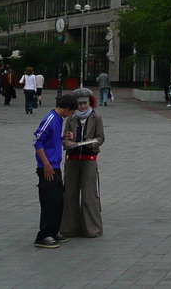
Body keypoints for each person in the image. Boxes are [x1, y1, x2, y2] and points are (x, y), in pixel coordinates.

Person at [33, 95, 78, 249]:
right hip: (47, 167)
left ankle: (53, 231)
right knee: (50, 201)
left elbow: (51, 141)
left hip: (55, 166)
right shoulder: (50, 119)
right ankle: (43, 235)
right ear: (66, 109)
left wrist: (63, 137)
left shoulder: (59, 120)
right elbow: (37, 141)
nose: (70, 115)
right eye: (71, 112)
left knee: (58, 201)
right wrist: (45, 164)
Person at [61, 88, 105, 238]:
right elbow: (64, 138)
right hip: (73, 159)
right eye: (79, 104)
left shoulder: (96, 117)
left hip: (89, 160)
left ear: (90, 102)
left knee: (89, 196)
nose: (82, 106)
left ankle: (91, 229)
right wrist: (67, 142)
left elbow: (100, 137)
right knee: (70, 195)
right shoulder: (71, 118)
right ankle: (69, 228)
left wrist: (92, 143)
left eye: (85, 103)